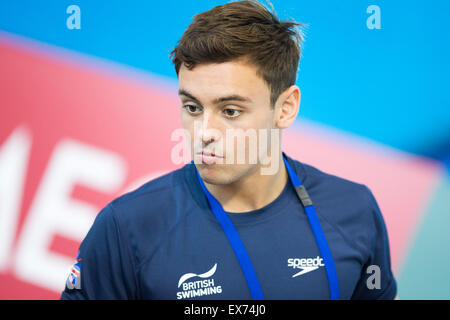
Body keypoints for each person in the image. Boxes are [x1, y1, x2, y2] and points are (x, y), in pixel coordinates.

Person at [60, 0, 397, 300]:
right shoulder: (127, 228)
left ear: (286, 107)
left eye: (231, 111)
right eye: (192, 108)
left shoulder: (354, 210)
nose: (204, 133)